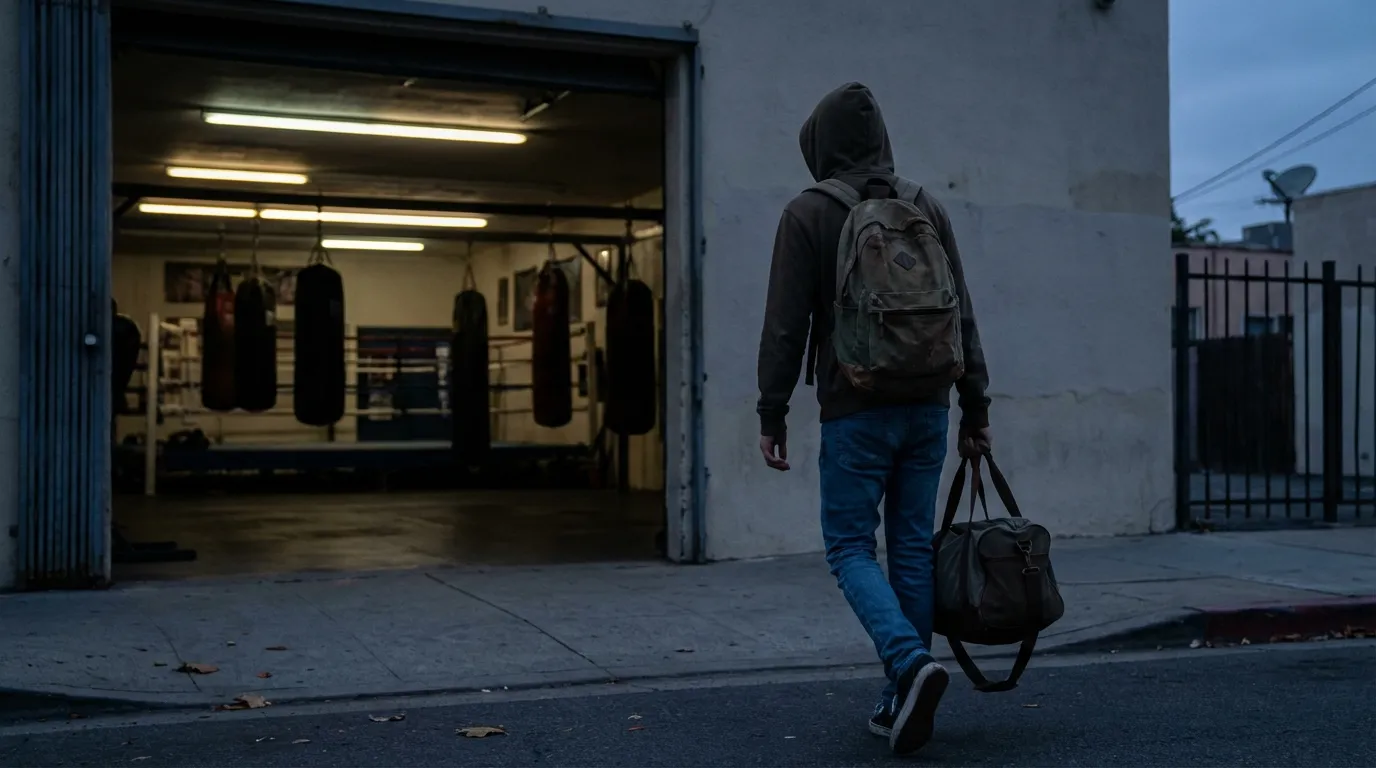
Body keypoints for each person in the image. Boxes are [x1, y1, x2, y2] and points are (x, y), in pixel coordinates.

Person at [755, 82, 992, 756]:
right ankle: (900, 699)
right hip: (928, 408)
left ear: (820, 145)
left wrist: (772, 412)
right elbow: (962, 313)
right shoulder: (925, 206)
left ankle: (910, 666)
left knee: (849, 549)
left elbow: (784, 326)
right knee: (911, 549)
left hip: (854, 409)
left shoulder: (807, 213)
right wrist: (977, 406)